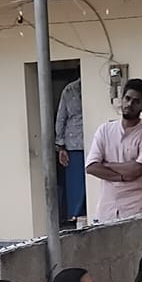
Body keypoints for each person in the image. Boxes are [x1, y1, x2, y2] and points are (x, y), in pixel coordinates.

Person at [86, 78, 142, 223]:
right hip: (107, 211)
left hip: (138, 208)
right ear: (122, 99)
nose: (130, 104)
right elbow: (91, 167)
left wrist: (106, 165)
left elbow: (137, 169)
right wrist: (122, 177)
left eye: (136, 101)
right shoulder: (105, 130)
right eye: (127, 98)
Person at [56, 76, 86, 223]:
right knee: (76, 182)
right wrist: (60, 145)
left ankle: (84, 213)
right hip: (74, 142)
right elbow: (61, 117)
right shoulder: (69, 89)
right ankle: (74, 215)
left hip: (92, 140)